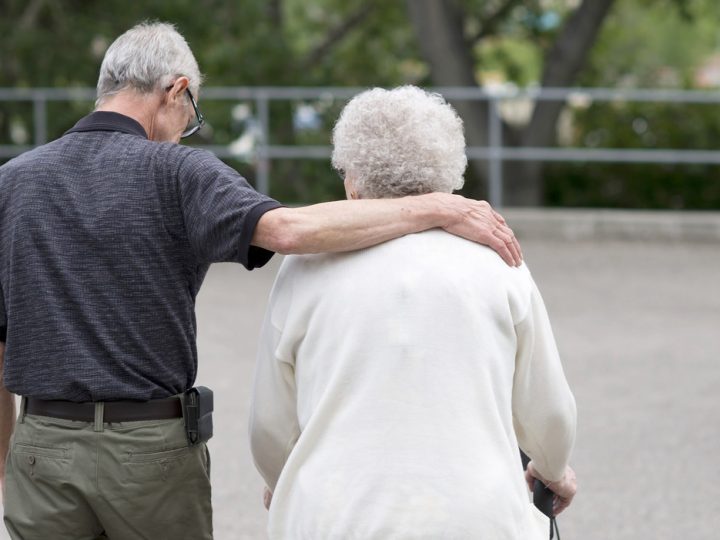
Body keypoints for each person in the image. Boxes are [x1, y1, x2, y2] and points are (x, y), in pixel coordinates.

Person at [0, 23, 522, 540]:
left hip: (41, 446)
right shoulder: (178, 172)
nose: (186, 128)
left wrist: (8, 467)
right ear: (175, 90)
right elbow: (289, 231)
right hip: (147, 452)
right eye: (192, 113)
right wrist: (435, 206)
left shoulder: (12, 182)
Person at [249, 86, 577, 539]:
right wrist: (553, 467)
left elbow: (270, 424)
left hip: (337, 518)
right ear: (449, 172)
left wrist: (280, 478)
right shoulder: (498, 260)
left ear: (354, 180)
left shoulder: (304, 270)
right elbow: (549, 411)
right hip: (475, 518)